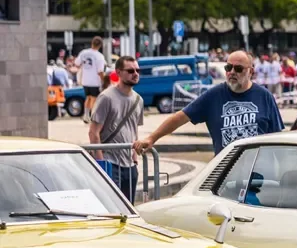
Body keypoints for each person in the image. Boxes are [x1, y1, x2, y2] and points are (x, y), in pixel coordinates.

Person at [134, 50, 284, 156]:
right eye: (228, 67)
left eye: (238, 68)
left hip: (258, 174)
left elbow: (278, 138)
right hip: (226, 175)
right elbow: (180, 117)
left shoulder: (265, 96)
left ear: (251, 72)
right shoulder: (214, 95)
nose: (232, 72)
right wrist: (152, 138)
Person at [89, 56, 144, 202]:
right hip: (110, 163)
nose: (136, 73)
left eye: (137, 70)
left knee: (128, 207)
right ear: (118, 72)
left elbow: (133, 129)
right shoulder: (106, 97)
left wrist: (134, 157)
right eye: (131, 70)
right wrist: (101, 164)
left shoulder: (139, 100)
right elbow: (93, 132)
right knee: (113, 206)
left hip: (130, 165)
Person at [75, 36, 107, 125]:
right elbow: (100, 71)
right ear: (100, 45)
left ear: (92, 43)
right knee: (94, 99)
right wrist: (104, 80)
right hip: (94, 81)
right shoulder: (99, 56)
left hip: (85, 80)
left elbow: (77, 64)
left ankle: (86, 115)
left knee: (88, 97)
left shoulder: (83, 53)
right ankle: (94, 117)